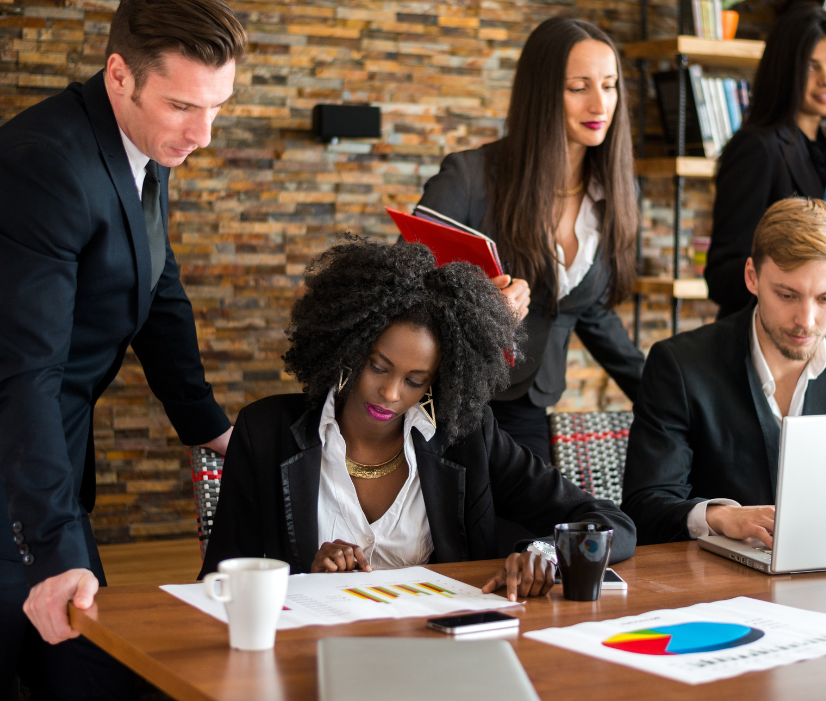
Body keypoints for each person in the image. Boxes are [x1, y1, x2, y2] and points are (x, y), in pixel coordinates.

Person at [0, 0, 244, 699]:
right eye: (183, 107)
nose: (202, 135)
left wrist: (209, 426)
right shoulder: (40, 166)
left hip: (43, 485)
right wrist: (52, 549)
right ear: (119, 74)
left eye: (217, 108)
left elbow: (156, 285)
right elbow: (23, 373)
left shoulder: (144, 140)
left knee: (91, 678)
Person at [200, 235, 636, 599]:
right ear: (349, 347)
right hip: (308, 655)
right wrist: (303, 577)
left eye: (414, 379)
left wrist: (545, 552)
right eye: (378, 366)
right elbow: (216, 582)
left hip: (447, 652)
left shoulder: (467, 438)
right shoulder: (266, 432)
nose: (390, 393)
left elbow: (610, 523)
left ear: (437, 381)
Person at [416, 17, 644, 462]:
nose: (600, 103)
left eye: (610, 85)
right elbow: (399, 289)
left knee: (532, 529)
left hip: (525, 409)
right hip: (440, 405)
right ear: (541, 93)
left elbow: (589, 309)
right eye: (579, 87)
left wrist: (670, 391)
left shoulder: (618, 191)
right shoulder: (468, 177)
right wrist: (481, 302)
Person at [622, 198, 826, 546]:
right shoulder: (679, 365)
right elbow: (643, 507)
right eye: (787, 295)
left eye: (825, 299)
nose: (806, 321)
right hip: (715, 587)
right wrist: (719, 516)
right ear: (752, 277)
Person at [706, 3, 826, 325]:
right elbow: (722, 275)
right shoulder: (756, 149)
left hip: (820, 343)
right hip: (763, 343)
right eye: (810, 67)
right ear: (784, 71)